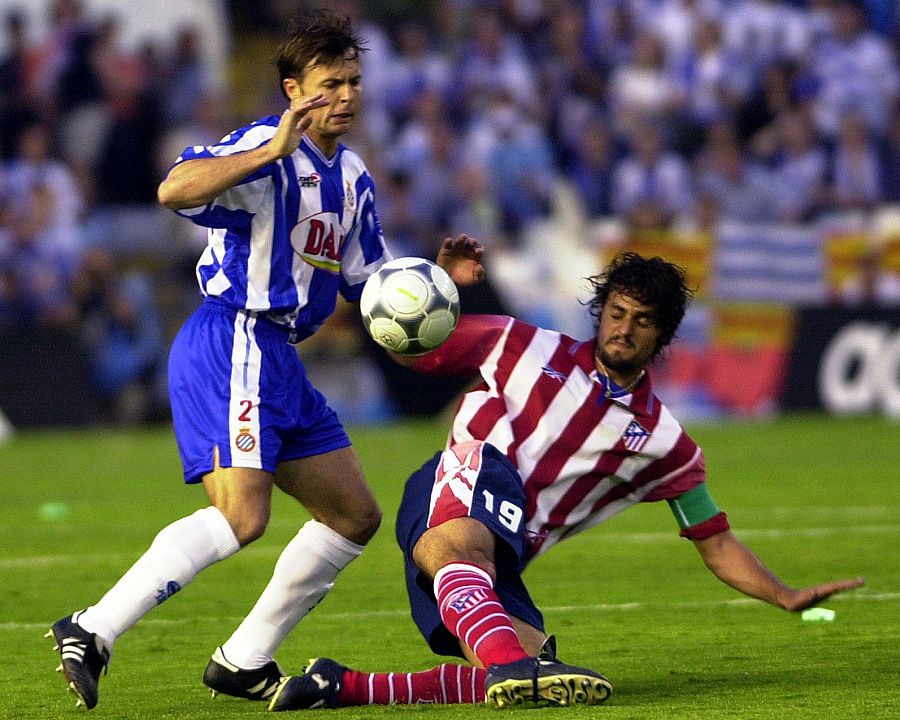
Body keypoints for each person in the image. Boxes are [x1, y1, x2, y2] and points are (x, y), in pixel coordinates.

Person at [47, 9, 484, 711]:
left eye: (353, 82)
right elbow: (173, 190)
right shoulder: (264, 146)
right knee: (241, 517)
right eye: (328, 84)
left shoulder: (354, 177)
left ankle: (244, 660)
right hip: (233, 338)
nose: (344, 95)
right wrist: (267, 152)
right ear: (292, 90)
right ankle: (93, 628)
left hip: (279, 356)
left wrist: (433, 281)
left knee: (354, 515)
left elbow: (368, 284)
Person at [268, 252, 864, 711]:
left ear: (663, 334)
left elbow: (716, 542)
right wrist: (440, 286)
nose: (624, 330)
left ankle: (342, 686)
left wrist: (782, 595)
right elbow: (413, 351)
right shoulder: (517, 342)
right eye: (617, 314)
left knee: (523, 670)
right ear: (601, 312)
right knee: (482, 572)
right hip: (460, 481)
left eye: (642, 322)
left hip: (499, 557)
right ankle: (506, 657)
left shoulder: (666, 444)